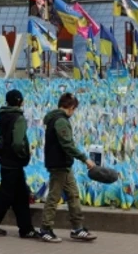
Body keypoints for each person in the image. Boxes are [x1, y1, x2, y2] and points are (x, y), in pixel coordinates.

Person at [38, 92, 97, 243]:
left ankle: (77, 228)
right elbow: (67, 144)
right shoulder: (61, 121)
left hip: (64, 164)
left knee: (73, 195)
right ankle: (45, 229)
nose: (74, 112)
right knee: (54, 196)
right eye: (74, 109)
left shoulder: (56, 119)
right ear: (70, 107)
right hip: (59, 164)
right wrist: (85, 159)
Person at [0, 89, 39, 239]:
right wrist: (23, 154)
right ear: (19, 101)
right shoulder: (18, 118)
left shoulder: (4, 114)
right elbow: (18, 142)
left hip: (5, 159)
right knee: (5, 196)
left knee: (20, 195)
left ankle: (26, 229)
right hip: (14, 161)